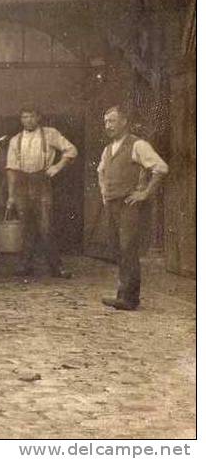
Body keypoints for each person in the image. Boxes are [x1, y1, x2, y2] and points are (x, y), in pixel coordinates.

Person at [97, 106, 168, 311]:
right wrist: (104, 194)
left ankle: (129, 298)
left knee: (128, 248)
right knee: (118, 249)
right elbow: (101, 172)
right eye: (106, 122)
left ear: (124, 122)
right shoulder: (108, 149)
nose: (108, 126)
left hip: (130, 204)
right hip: (113, 204)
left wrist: (144, 193)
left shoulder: (138, 144)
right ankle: (122, 293)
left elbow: (160, 168)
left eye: (112, 121)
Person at [5, 105, 77, 278]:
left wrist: (58, 166)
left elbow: (72, 150)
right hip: (22, 182)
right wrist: (11, 196)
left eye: (31, 116)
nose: (28, 120)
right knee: (26, 226)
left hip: (42, 181)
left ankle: (56, 267)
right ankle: (25, 266)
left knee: (46, 226)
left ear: (38, 118)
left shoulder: (50, 133)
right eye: (24, 117)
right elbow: (11, 169)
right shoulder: (16, 139)